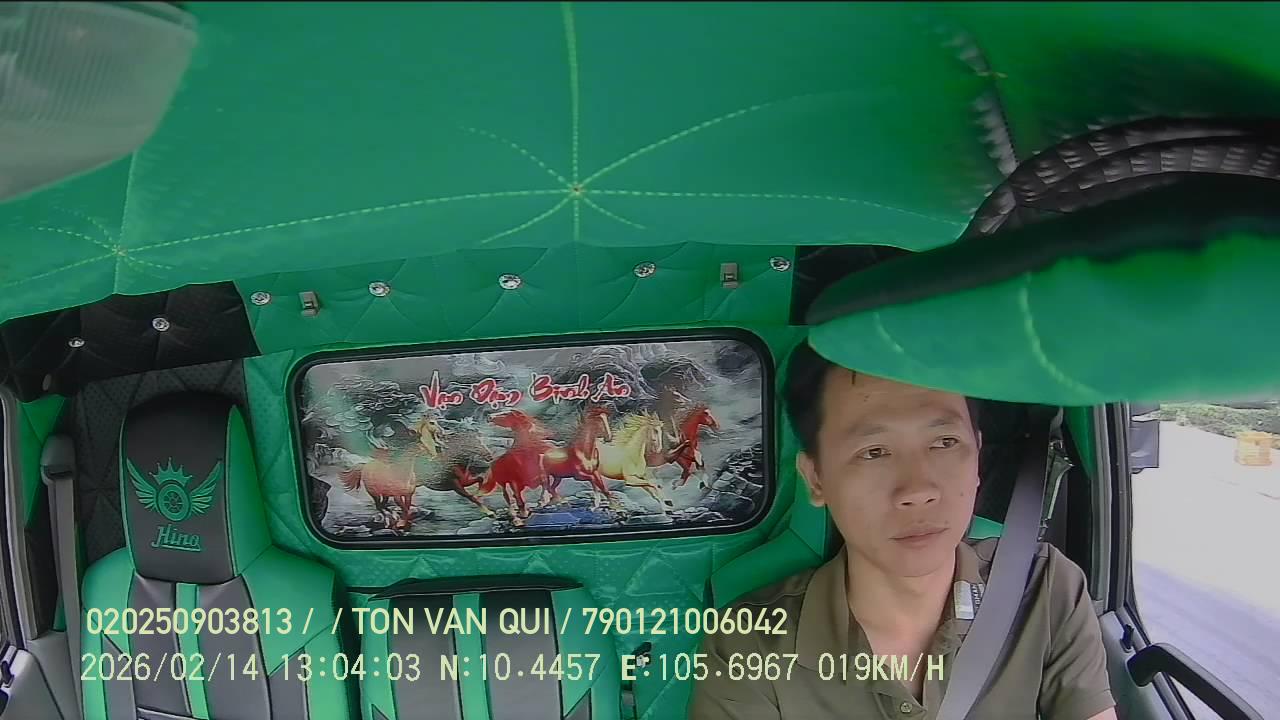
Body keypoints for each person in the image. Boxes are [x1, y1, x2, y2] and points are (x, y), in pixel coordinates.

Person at [689, 341, 1118, 720]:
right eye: (874, 451)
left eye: (944, 442)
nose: (918, 490)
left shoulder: (1044, 589)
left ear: (977, 455)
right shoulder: (749, 643)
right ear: (816, 478)